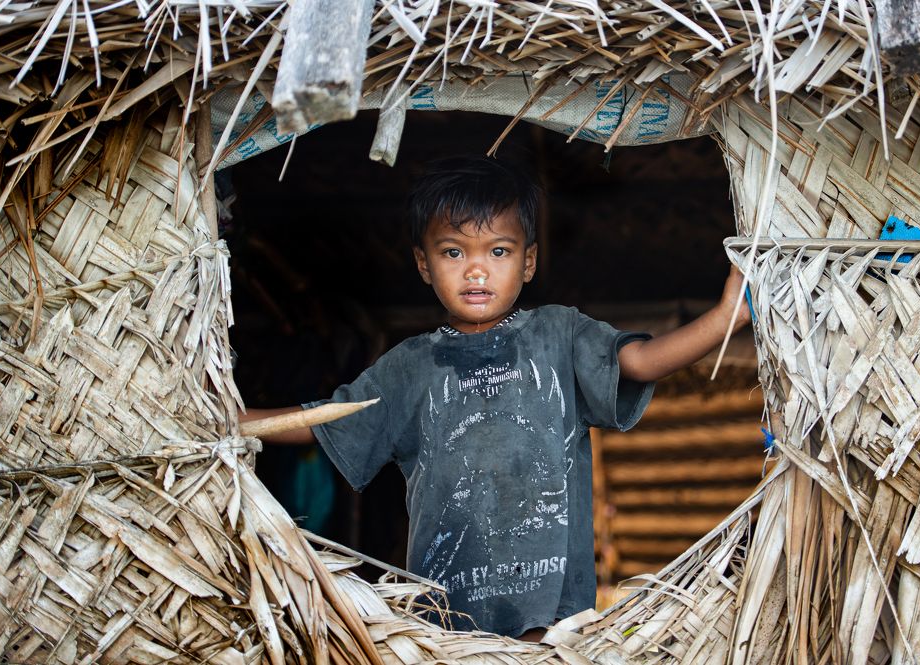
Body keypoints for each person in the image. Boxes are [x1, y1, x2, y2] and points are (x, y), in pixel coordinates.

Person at [241, 156, 751, 639]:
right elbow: (326, 419)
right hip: (444, 624)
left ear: (528, 262)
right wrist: (232, 421)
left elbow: (639, 360)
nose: (477, 271)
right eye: (454, 252)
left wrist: (724, 319)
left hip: (548, 621)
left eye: (499, 251)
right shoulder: (408, 367)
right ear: (424, 264)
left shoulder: (560, 334)